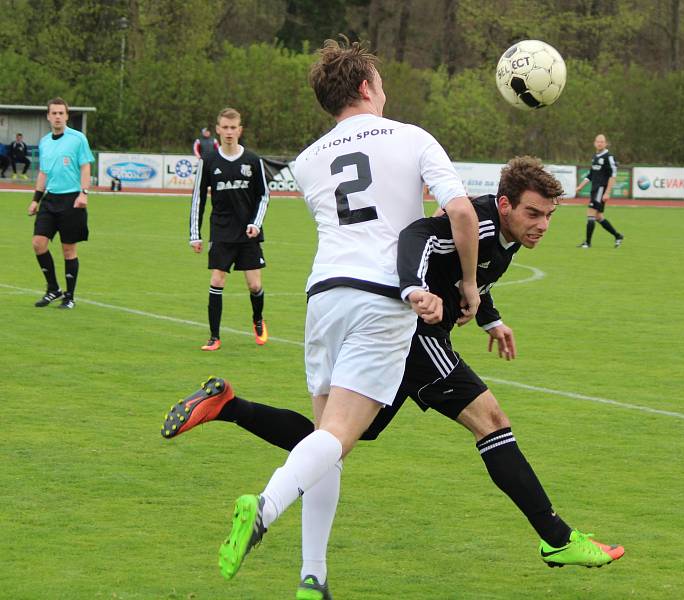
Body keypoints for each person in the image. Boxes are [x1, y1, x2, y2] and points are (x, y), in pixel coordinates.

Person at [162, 157, 624, 598]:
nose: (542, 224)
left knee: (338, 438)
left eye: (548, 215)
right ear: (505, 204)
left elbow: (474, 283)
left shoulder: (502, 236)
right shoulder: (479, 222)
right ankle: (557, 537)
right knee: (492, 421)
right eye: (533, 213)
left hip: (399, 330)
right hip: (415, 334)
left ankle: (227, 406)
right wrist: (413, 287)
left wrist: (489, 320)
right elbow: (418, 233)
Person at [184, 36, 480, 592]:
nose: (386, 92)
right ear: (366, 86)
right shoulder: (411, 137)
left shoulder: (308, 160)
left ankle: (312, 578)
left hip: (323, 297)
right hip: (382, 299)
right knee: (339, 437)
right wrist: (467, 283)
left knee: (325, 439)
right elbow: (460, 211)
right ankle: (265, 507)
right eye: (382, 83)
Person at [189, 107, 270, 351]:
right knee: (217, 280)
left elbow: (264, 196)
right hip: (222, 231)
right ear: (217, 130)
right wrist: (195, 234)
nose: (229, 132)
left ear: (240, 130)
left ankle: (257, 320)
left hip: (248, 233)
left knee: (254, 285)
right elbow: (198, 198)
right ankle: (214, 337)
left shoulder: (253, 160)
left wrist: (255, 224)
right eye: (224, 127)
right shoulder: (209, 162)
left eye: (233, 127)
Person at [27, 98, 94, 310]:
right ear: (48, 116)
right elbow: (43, 173)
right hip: (50, 200)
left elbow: (85, 168)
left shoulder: (78, 139)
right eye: (53, 113)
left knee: (68, 250)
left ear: (66, 116)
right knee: (38, 243)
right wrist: (35, 200)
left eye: (61, 113)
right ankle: (53, 289)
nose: (57, 116)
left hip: (72, 199)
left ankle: (69, 296)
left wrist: (84, 194)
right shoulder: (45, 142)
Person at [574, 134, 624, 248]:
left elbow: (613, 176)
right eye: (598, 141)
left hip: (601, 190)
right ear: (594, 143)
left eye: (602, 141)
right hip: (595, 189)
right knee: (598, 217)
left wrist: (607, 192)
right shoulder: (595, 157)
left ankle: (587, 243)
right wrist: (580, 186)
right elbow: (591, 175)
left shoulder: (608, 157)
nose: (599, 143)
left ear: (606, 143)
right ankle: (618, 236)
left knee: (590, 214)